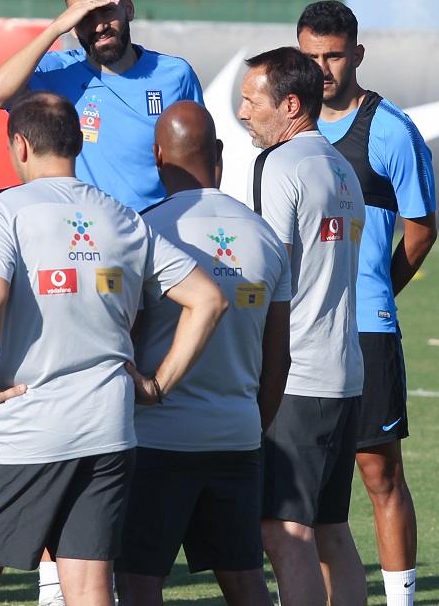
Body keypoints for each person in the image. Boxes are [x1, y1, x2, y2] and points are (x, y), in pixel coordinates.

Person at [0, 91, 228, 606]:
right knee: (90, 584)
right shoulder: (123, 216)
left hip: (28, 427)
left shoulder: (3, 208)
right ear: (78, 143)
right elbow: (209, 299)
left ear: (20, 146)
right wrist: (157, 386)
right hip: (108, 428)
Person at [114, 101, 292, 606]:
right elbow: (280, 357)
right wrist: (252, 427)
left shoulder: (144, 231)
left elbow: (122, 338)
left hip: (157, 439)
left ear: (157, 155)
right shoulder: (265, 235)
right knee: (244, 579)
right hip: (238, 437)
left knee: (138, 579)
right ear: (218, 151)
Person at [297, 0, 437, 606]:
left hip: (366, 327)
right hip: (301, 331)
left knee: (379, 474)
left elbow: (421, 230)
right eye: (311, 57)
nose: (322, 69)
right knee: (301, 482)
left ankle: (400, 600)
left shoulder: (390, 129)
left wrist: (375, 289)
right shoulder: (289, 125)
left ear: (357, 53)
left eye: (333, 56)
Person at [236, 47, 367, 606]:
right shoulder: (340, 165)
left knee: (284, 532)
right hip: (345, 374)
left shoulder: (280, 164)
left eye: (252, 100)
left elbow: (268, 270)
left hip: (297, 375)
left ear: (290, 105)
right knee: (331, 531)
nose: (242, 112)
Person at [0, 0, 204, 214]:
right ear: (72, 27)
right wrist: (55, 28)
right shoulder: (55, 73)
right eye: (85, 17)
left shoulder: (175, 74)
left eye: (106, 11)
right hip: (85, 232)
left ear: (128, 9)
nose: (99, 26)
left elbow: (201, 157)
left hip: (156, 229)